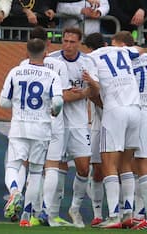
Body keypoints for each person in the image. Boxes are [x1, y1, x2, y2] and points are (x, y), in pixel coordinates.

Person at [0, 38, 64, 227]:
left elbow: (3, 102)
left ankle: (14, 191)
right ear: (45, 53)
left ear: (26, 53)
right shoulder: (52, 75)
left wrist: (17, 105)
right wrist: (54, 111)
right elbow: (58, 102)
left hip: (19, 126)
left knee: (13, 165)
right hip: (41, 128)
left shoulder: (15, 71)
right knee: (36, 172)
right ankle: (26, 216)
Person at [86, 32, 142, 229]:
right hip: (135, 109)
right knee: (127, 162)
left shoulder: (91, 57)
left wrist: (90, 84)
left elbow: (94, 86)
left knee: (108, 162)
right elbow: (140, 50)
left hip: (115, 110)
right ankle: (128, 212)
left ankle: (113, 216)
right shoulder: (123, 51)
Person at [18, 26, 72, 227]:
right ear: (48, 44)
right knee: (52, 167)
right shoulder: (59, 65)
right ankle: (46, 211)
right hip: (55, 119)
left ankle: (28, 209)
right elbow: (64, 96)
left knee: (32, 167)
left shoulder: (23, 65)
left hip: (33, 120)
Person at [111, 31, 147, 230]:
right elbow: (140, 50)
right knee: (146, 169)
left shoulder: (125, 62)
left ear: (124, 46)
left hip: (145, 117)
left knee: (142, 168)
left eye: (115, 47)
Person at [49, 27, 100, 228]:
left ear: (79, 43)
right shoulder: (53, 61)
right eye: (65, 41)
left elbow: (96, 90)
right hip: (58, 121)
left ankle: (75, 208)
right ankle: (53, 212)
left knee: (83, 167)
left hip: (79, 122)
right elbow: (60, 96)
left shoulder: (88, 62)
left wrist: (91, 85)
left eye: (72, 42)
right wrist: (83, 93)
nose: (68, 45)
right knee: (58, 165)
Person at [82, 33, 107, 227]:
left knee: (124, 168)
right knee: (97, 169)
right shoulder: (89, 66)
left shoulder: (109, 64)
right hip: (99, 122)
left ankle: (126, 212)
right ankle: (98, 214)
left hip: (117, 120)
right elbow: (92, 94)